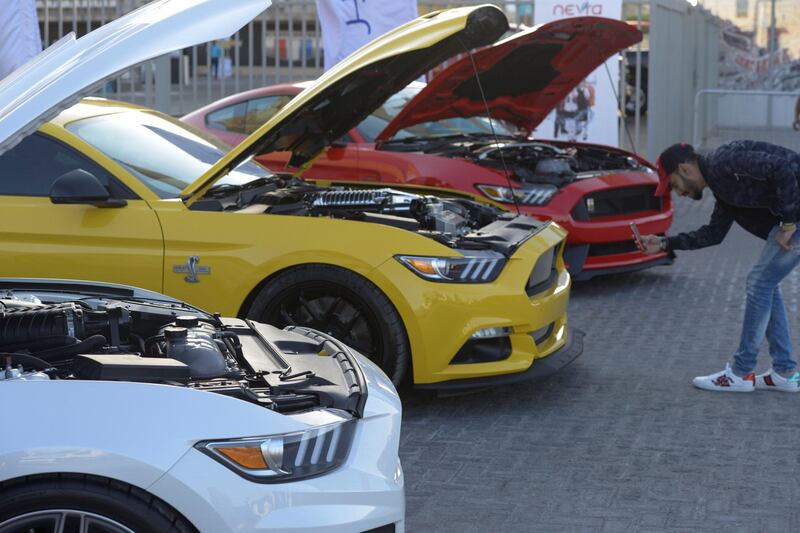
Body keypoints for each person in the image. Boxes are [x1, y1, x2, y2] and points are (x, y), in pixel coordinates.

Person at [642, 141, 800, 393]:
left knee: (759, 283)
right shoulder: (721, 186)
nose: (677, 193)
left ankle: (740, 373)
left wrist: (789, 223)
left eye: (673, 185)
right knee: (765, 285)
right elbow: (714, 234)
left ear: (684, 169)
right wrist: (663, 242)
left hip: (795, 219)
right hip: (792, 219)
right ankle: (783, 372)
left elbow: (781, 167)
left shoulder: (723, 163)